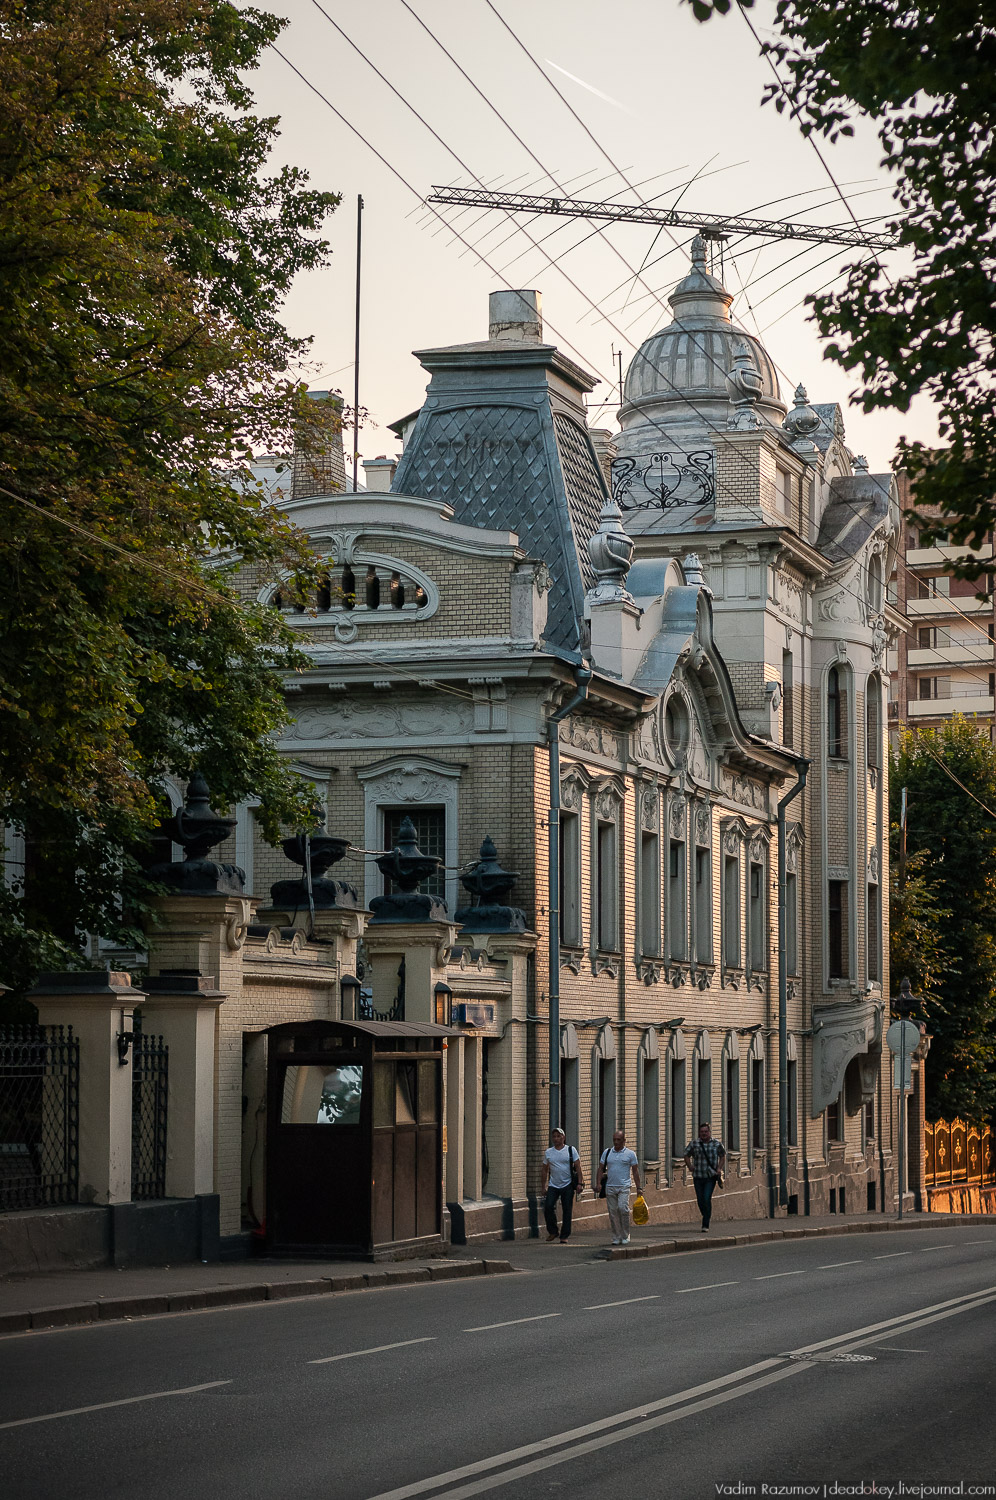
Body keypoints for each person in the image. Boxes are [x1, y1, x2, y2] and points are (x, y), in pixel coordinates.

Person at [598, 1129, 642, 1246]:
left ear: (624, 1140)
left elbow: (635, 1172)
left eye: (618, 1140)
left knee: (623, 1209)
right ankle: (616, 1236)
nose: (616, 1142)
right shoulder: (607, 1153)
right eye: (614, 1140)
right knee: (613, 1212)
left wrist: (639, 1188)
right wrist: (598, 1183)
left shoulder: (630, 1154)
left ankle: (625, 1234)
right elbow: (601, 1168)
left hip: (624, 1186)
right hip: (610, 1186)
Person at [541, 1127, 583, 1243]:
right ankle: (553, 1231)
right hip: (553, 1184)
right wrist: (543, 1186)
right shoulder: (549, 1152)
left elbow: (578, 1167)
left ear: (563, 1137)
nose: (556, 1139)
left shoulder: (570, 1150)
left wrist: (580, 1183)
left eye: (558, 1136)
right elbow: (544, 1169)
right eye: (554, 1136)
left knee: (567, 1210)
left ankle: (564, 1236)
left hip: (567, 1184)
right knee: (548, 1207)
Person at [683, 1122, 726, 1231]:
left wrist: (719, 1168)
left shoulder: (716, 1144)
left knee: (707, 1198)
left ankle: (705, 1224)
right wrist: (689, 1166)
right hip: (698, 1176)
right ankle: (705, 1214)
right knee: (700, 1200)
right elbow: (686, 1154)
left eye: (706, 1132)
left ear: (709, 1132)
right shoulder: (694, 1144)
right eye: (702, 1132)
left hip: (710, 1177)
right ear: (699, 1133)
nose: (704, 1134)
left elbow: (723, 1155)